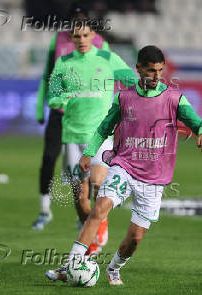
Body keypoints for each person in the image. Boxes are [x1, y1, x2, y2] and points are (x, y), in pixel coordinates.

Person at [45, 45, 202, 285]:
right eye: (151, 71)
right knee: (99, 209)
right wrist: (89, 154)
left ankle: (113, 269)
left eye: (160, 71)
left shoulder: (174, 98)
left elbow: (197, 121)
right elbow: (104, 128)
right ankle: (72, 264)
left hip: (154, 178)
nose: (156, 76)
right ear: (138, 69)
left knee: (135, 239)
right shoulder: (124, 97)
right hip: (123, 165)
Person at [43, 21, 136, 257]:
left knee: (98, 183)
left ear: (93, 35)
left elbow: (133, 82)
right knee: (79, 197)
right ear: (72, 39)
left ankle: (99, 223)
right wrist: (61, 99)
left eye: (85, 35)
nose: (82, 40)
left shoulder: (107, 58)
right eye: (77, 36)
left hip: (101, 135)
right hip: (72, 135)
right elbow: (52, 95)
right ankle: (92, 238)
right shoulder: (63, 63)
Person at [32, 4, 110, 233]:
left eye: (82, 19)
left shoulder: (100, 44)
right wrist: (40, 107)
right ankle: (45, 210)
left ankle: (91, 218)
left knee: (94, 173)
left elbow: (110, 79)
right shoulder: (58, 41)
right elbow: (48, 74)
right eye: (74, 20)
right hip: (61, 114)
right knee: (49, 158)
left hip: (91, 119)